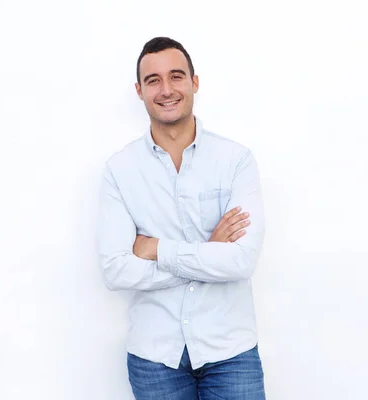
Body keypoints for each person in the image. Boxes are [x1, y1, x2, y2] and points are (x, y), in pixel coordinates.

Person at [96, 36, 266, 399]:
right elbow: (115, 270)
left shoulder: (235, 161)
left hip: (230, 352)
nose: (166, 89)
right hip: (155, 357)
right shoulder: (120, 170)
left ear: (194, 82)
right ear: (139, 91)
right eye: (153, 80)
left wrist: (156, 247)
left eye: (176, 76)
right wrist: (207, 251)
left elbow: (240, 261)